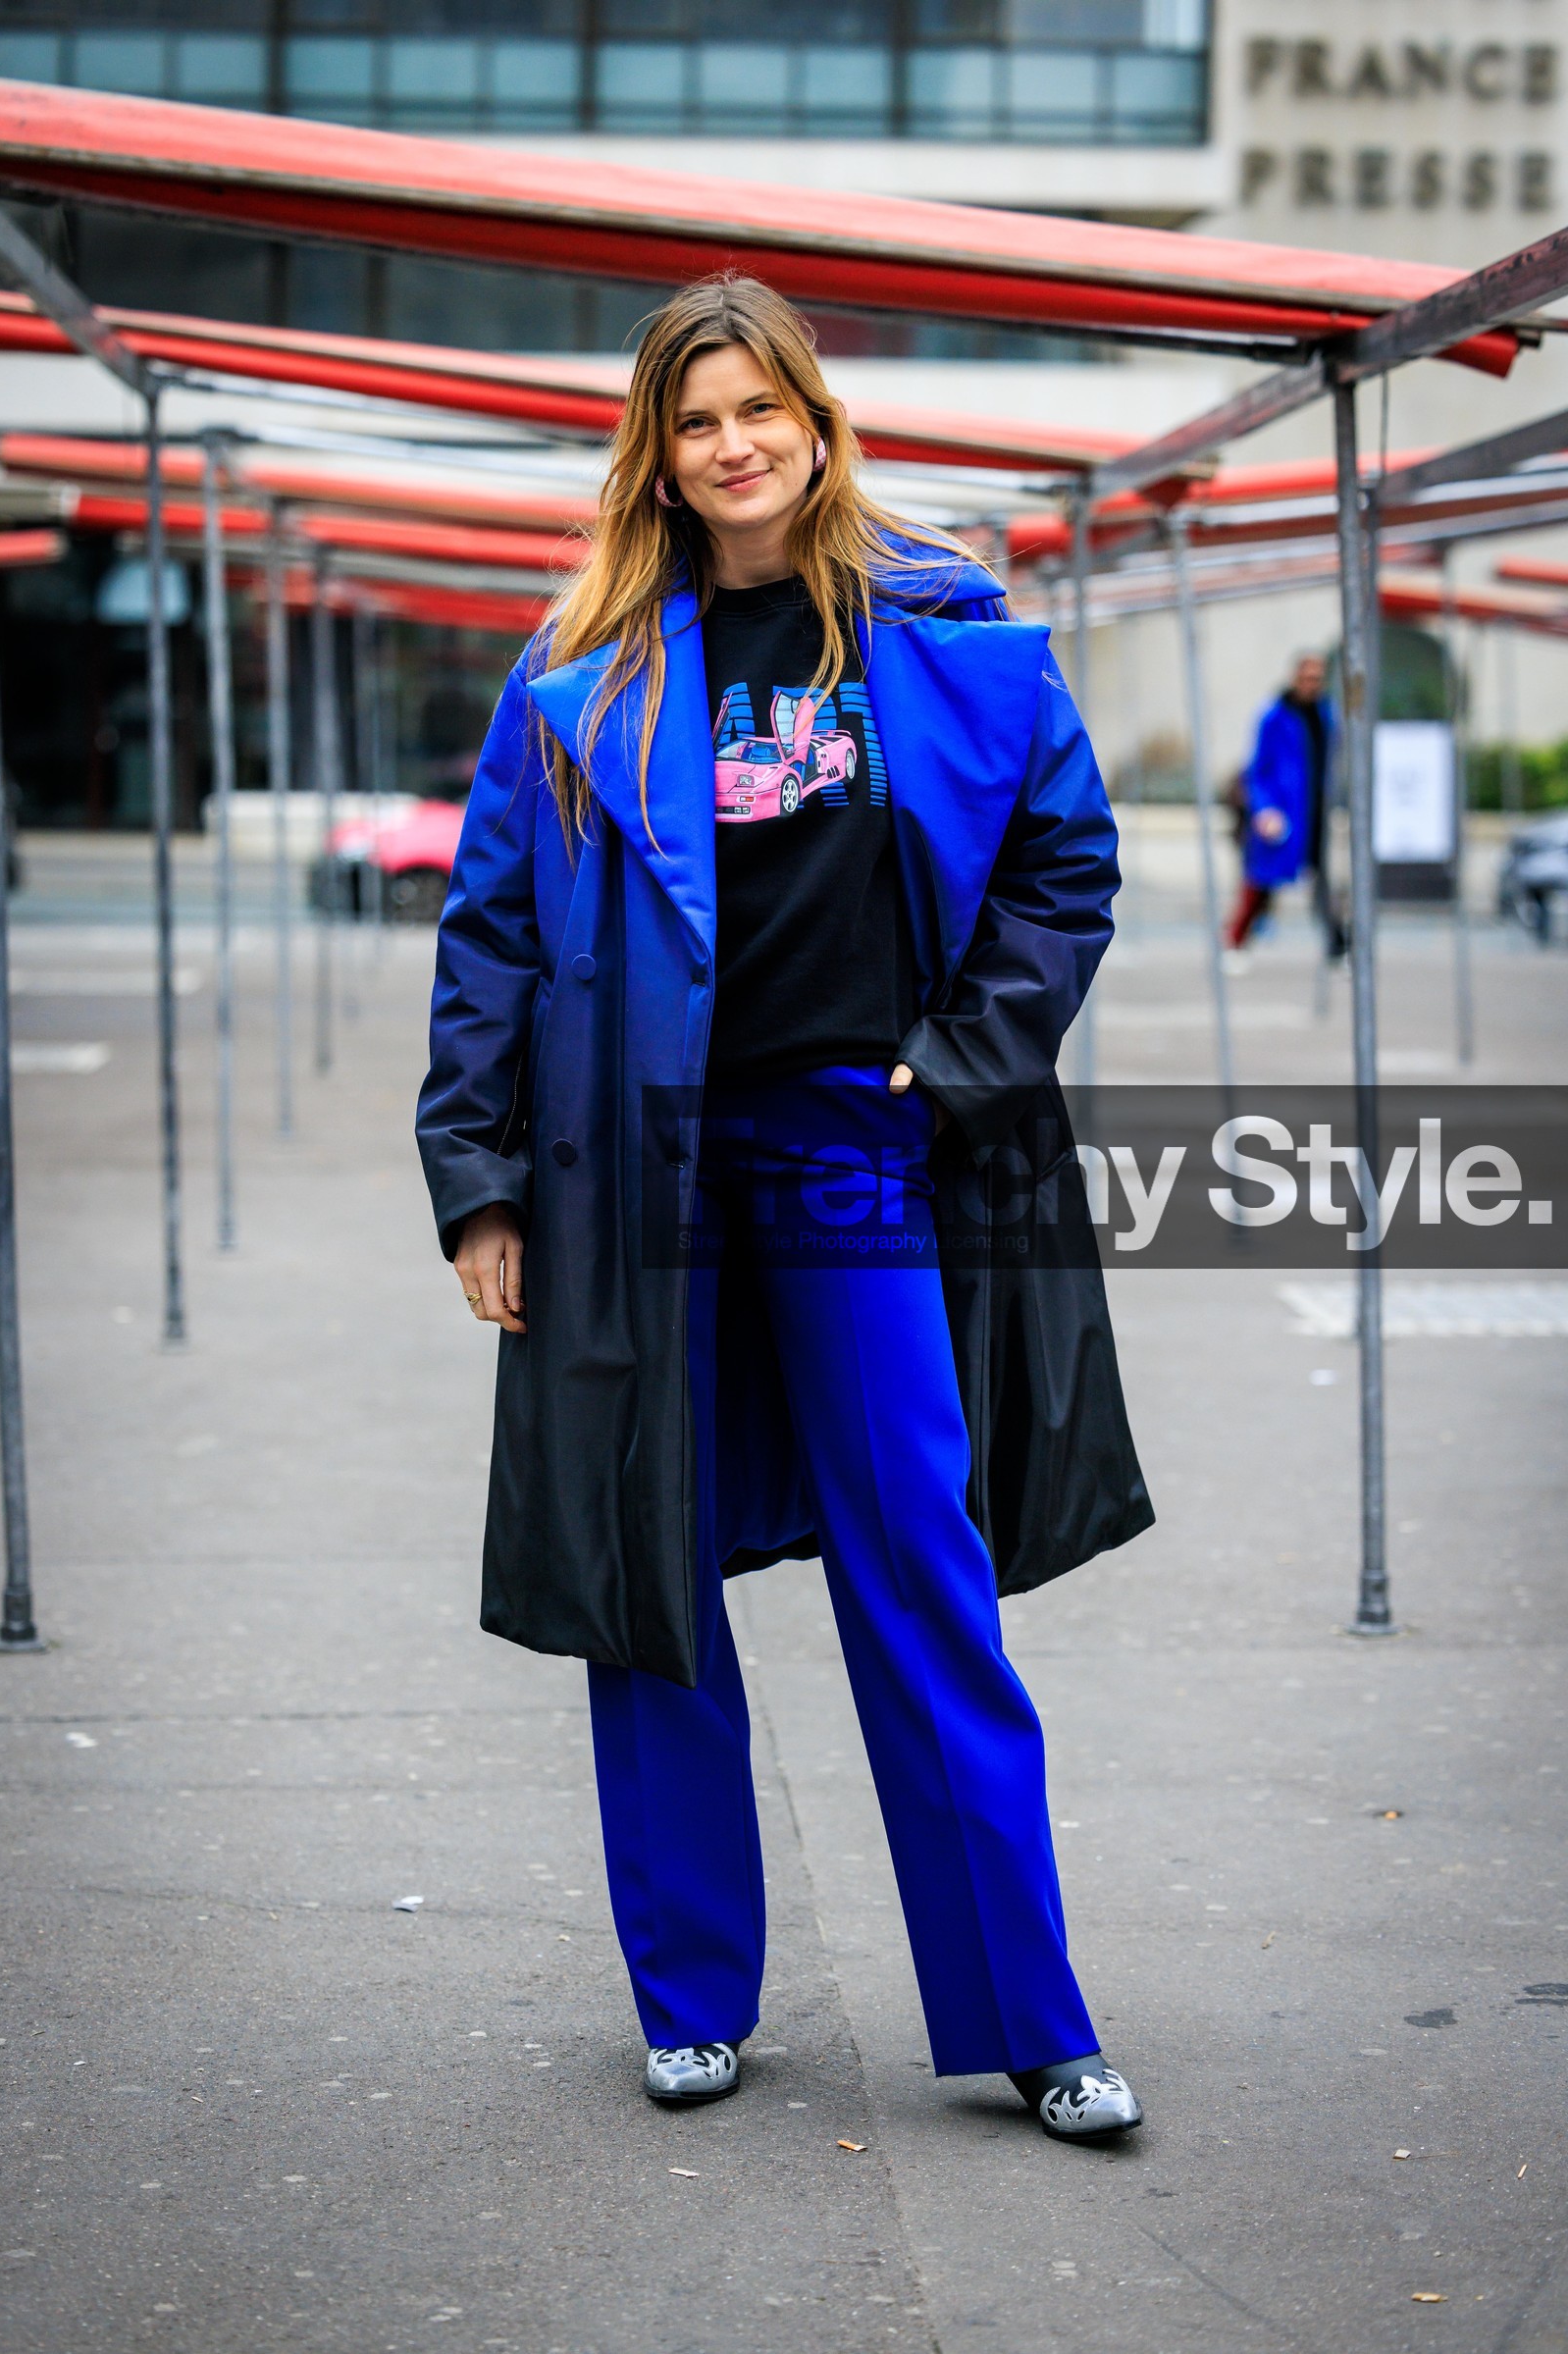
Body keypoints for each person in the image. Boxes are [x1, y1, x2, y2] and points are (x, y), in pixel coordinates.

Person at [416, 275, 1153, 2144]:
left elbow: (1066, 866)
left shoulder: (949, 635)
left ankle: (1029, 2011)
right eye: (696, 419)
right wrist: (480, 1187)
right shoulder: (583, 668)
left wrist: (960, 1061)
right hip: (629, 1167)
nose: (734, 444)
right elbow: (491, 938)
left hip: (855, 1154)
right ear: (655, 452)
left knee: (922, 1556)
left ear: (815, 419)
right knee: (644, 1570)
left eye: (762, 408)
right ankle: (689, 1996)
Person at [1225, 651, 1346, 965]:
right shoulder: (1274, 716)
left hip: (1315, 811)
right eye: (1307, 677)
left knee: (1325, 885)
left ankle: (1339, 947)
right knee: (1261, 882)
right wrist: (1265, 809)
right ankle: (1236, 942)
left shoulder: (1327, 714)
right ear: (1295, 678)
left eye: (1318, 678)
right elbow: (1258, 769)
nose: (1312, 684)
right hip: (1282, 812)